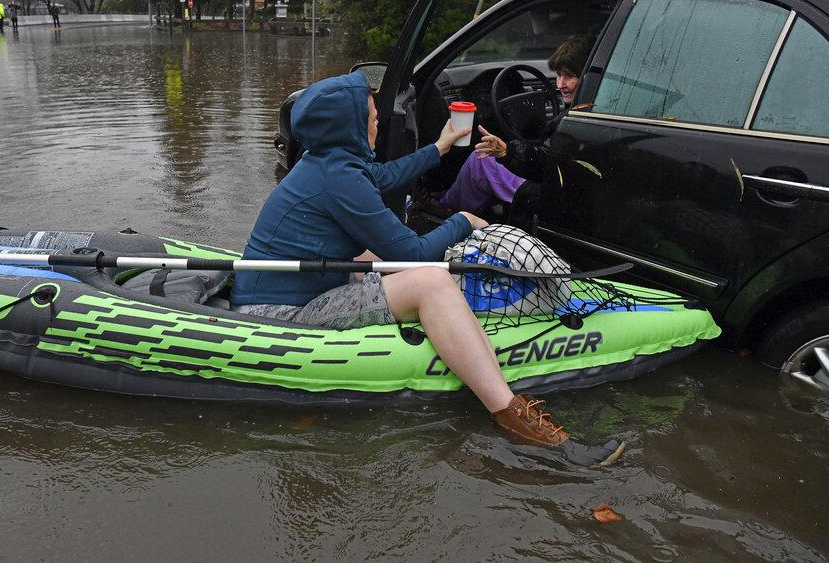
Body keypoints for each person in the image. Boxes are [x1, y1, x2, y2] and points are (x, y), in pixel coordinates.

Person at [230, 71, 624, 466]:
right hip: (280, 315)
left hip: (290, 289)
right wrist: (463, 220)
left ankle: (474, 355)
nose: (377, 123)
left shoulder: (328, 161)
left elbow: (385, 176)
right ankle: (515, 420)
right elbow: (414, 255)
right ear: (348, 126)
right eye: (371, 117)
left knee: (376, 258)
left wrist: (441, 144)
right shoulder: (339, 178)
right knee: (431, 280)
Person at [438, 35, 592, 224]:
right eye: (559, 75)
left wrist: (508, 151)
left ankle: (446, 210)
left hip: (547, 192)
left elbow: (543, 165)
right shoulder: (592, 106)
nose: (560, 84)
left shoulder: (574, 119)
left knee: (480, 161)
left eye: (569, 76)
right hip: (566, 189)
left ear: (587, 76)